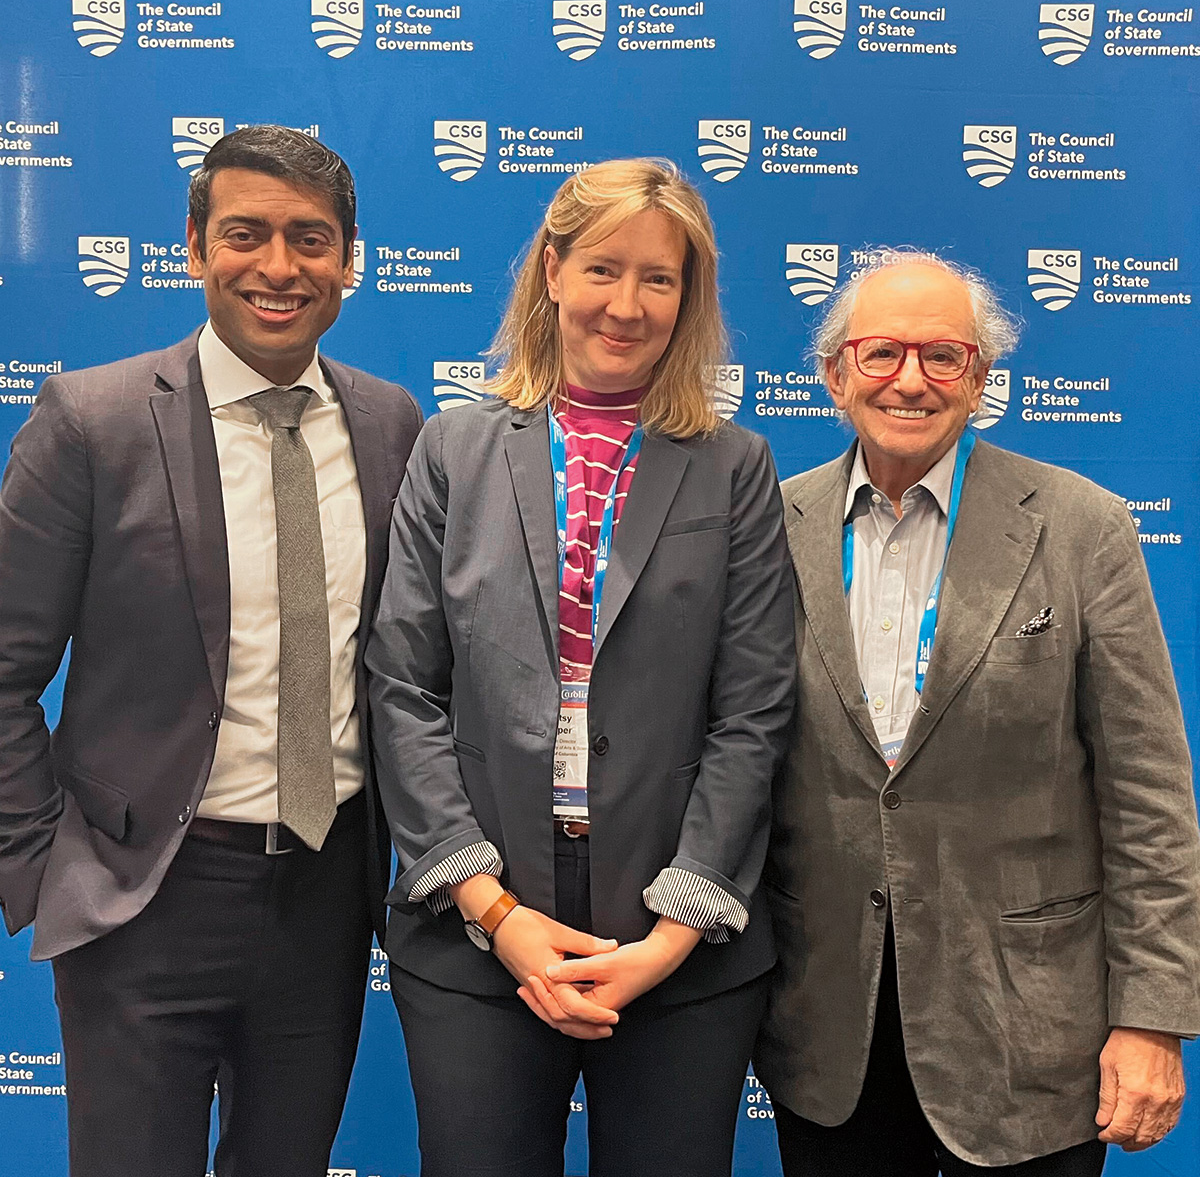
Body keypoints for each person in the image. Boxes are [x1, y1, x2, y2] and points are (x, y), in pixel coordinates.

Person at [0, 125, 422, 1177]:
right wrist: (45, 867)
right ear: (193, 248)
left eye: (311, 241)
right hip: (142, 899)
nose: (279, 268)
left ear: (348, 260)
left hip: (326, 901)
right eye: (247, 234)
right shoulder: (90, 421)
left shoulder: (391, 424)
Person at [367, 158, 796, 1177]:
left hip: (678, 937)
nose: (628, 303)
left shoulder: (733, 467)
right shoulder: (453, 450)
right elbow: (403, 688)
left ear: (688, 299)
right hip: (479, 927)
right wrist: (495, 912)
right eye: (605, 268)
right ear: (552, 271)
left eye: (661, 278)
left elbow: (755, 712)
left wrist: (674, 925)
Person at [755, 250, 1200, 1176]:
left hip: (1027, 1039)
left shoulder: (1083, 528)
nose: (909, 381)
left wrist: (1153, 1016)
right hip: (827, 1032)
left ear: (981, 379)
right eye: (880, 354)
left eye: (942, 356)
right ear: (834, 375)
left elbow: (1149, 796)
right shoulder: (768, 527)